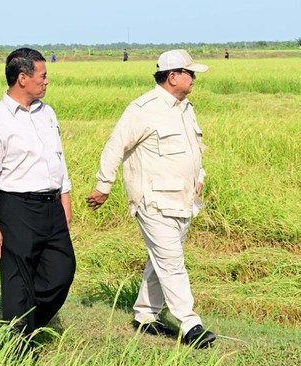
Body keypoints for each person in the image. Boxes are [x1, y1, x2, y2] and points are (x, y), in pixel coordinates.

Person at [85, 49, 215, 349]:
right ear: (173, 76)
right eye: (189, 73)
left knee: (161, 260)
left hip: (182, 200)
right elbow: (115, 146)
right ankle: (190, 324)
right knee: (172, 261)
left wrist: (199, 178)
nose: (193, 78)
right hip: (152, 200)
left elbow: (195, 149)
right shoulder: (143, 109)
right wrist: (104, 185)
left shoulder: (185, 108)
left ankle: (145, 315)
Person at [0, 48, 76, 347]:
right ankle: (18, 350)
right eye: (42, 76)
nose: (47, 81)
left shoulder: (48, 112)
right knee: (18, 280)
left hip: (52, 206)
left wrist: (65, 202)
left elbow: (59, 161)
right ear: (22, 78)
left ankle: (26, 322)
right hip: (16, 208)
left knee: (61, 272)